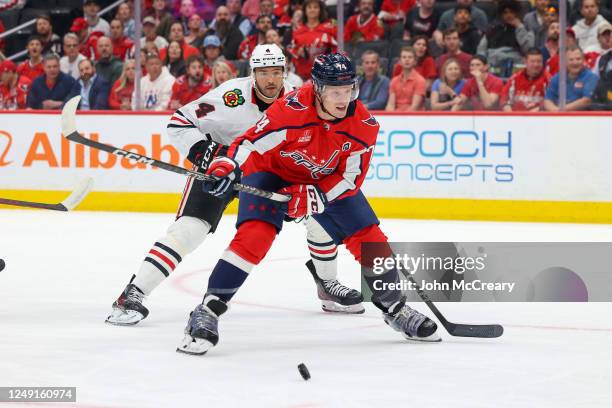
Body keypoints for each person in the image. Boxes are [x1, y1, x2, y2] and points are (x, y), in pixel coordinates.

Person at [176, 52, 440, 355]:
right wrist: (227, 167)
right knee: (255, 237)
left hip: (324, 182)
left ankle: (394, 307)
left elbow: (352, 179)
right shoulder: (289, 111)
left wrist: (316, 195)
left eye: (348, 90)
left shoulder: (364, 124)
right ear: (317, 88)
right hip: (269, 176)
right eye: (335, 92)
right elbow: (248, 144)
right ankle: (208, 310)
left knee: (371, 238)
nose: (344, 99)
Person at [106, 45, 364, 327]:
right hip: (223, 168)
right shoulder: (230, 97)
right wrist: (205, 152)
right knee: (189, 229)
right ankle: (133, 293)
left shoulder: (298, 96)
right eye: (263, 72)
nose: (270, 79)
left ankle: (327, 283)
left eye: (276, 72)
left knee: (319, 216)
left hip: (269, 172)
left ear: (284, 73)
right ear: (252, 73)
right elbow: (180, 122)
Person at [476, 0, 535, 78]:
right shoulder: (492, 29)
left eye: (511, 12)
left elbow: (528, 49)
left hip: (515, 66)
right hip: (493, 66)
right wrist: (482, 64)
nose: (508, 15)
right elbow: (481, 50)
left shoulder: (525, 28)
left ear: (516, 13)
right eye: (505, 12)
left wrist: (519, 27)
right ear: (501, 14)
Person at [288, 0, 337, 80]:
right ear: (305, 10)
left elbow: (336, 49)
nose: (312, 10)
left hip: (325, 75)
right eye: (309, 7)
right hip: (303, 76)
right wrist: (298, 52)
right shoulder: (297, 30)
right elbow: (292, 52)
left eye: (315, 7)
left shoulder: (330, 28)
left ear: (320, 10)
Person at [544, 46, 599, 111]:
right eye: (571, 59)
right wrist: (555, 111)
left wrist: (561, 110)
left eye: (578, 59)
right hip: (559, 117)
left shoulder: (591, 77)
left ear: (583, 60)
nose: (575, 62)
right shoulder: (557, 78)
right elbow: (547, 100)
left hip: (582, 118)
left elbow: (586, 100)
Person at [386, 46, 426, 111]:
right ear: (400, 61)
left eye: (410, 57)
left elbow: (414, 106)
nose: (407, 59)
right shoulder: (394, 81)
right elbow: (390, 104)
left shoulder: (420, 80)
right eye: (404, 57)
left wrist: (401, 118)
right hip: (396, 117)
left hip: (414, 118)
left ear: (415, 61)